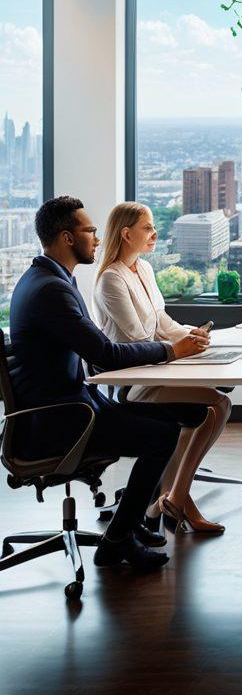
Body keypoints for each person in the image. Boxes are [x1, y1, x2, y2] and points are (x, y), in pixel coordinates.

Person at [7, 197, 210, 571]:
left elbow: (97, 352)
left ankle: (130, 525)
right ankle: (117, 540)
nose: (98, 239)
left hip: (75, 403)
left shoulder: (50, 279)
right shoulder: (52, 290)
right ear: (67, 238)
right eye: (90, 231)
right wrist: (170, 351)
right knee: (161, 436)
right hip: (64, 418)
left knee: (182, 416)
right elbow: (106, 353)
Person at [93, 202, 231, 535]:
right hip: (136, 381)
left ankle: (173, 499)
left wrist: (190, 335)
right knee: (215, 406)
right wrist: (178, 349)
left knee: (218, 406)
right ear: (126, 234)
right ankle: (175, 500)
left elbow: (162, 322)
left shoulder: (144, 269)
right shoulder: (111, 280)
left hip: (158, 368)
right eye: (147, 227)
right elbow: (138, 337)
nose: (155, 233)